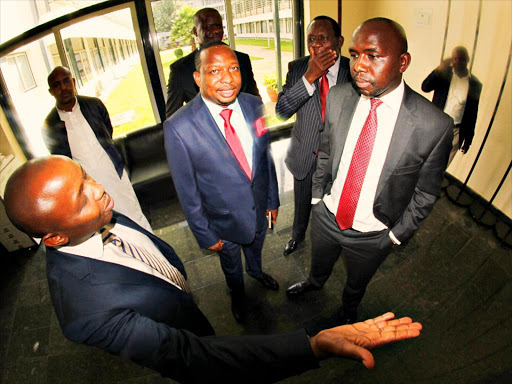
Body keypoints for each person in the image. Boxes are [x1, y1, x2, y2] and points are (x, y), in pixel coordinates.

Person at [4, 155, 423, 384]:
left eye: (87, 177)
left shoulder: (97, 214)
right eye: (81, 198)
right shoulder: (85, 314)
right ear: (55, 238)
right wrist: (312, 345)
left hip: (180, 307)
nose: (99, 190)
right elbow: (190, 357)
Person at [286, 18, 453, 326]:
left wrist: (393, 236)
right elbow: (325, 151)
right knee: (319, 263)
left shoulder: (434, 125)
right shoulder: (338, 98)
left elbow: (426, 193)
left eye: (373, 55)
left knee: (356, 284)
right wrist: (316, 200)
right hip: (327, 215)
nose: (359, 65)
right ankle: (314, 283)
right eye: (354, 53)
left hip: (374, 233)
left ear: (403, 62)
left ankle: (348, 310)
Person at [164, 41, 279, 323]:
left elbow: (265, 156)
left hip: (258, 204)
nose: (227, 79)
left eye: (233, 69)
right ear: (197, 77)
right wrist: (204, 232)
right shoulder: (179, 127)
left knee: (256, 244)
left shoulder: (254, 105)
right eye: (214, 70)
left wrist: (272, 199)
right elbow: (186, 188)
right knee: (230, 264)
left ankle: (255, 271)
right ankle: (237, 295)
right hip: (222, 220)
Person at [42, 66, 152, 232]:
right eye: (57, 85)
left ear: (73, 82)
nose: (63, 88)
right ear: (51, 92)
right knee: (106, 226)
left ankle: (152, 248)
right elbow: (60, 159)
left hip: (113, 172)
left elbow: (108, 131)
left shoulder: (93, 104)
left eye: (66, 81)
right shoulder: (50, 125)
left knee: (133, 213)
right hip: (87, 186)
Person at [276, 16, 351, 256]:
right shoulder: (297, 68)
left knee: (333, 203)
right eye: (311, 39)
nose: (317, 44)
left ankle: (330, 239)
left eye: (323, 38)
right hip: (305, 152)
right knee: (301, 204)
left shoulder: (353, 71)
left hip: (339, 158)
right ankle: (297, 236)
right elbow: (281, 112)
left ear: (338, 41)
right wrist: (309, 77)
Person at [165, 7, 260, 118]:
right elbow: (173, 116)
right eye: (208, 27)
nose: (215, 31)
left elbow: (255, 99)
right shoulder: (180, 69)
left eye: (218, 26)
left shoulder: (242, 59)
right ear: (195, 31)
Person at [422, 46, 482, 165]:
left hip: (456, 131)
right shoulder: (444, 73)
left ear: (468, 60)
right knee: (424, 159)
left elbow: (472, 112)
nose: (458, 62)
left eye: (462, 59)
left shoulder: (474, 84)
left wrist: (468, 139)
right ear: (452, 60)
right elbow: (425, 87)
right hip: (436, 125)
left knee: (442, 166)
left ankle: (432, 183)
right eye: (455, 59)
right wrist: (439, 69)